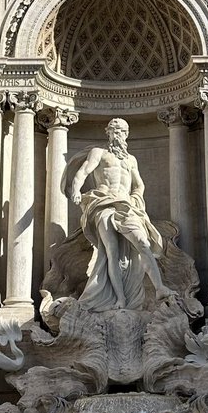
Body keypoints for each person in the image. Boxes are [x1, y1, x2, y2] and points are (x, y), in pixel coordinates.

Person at [67, 118, 172, 312]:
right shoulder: (99, 153)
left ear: (127, 134)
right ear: (108, 132)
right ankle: (120, 298)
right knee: (111, 252)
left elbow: (139, 184)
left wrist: (135, 198)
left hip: (126, 205)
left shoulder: (131, 160)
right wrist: (76, 190)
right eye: (115, 130)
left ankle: (159, 288)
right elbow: (83, 172)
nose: (118, 134)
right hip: (104, 203)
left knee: (143, 243)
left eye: (122, 131)